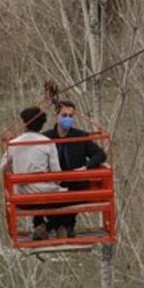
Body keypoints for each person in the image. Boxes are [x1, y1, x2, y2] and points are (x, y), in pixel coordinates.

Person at [42, 100, 107, 238]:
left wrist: (86, 167)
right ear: (57, 116)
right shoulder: (46, 137)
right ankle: (62, 227)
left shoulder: (80, 136)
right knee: (49, 196)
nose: (68, 119)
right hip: (54, 184)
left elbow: (100, 154)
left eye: (71, 116)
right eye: (64, 115)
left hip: (75, 184)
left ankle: (55, 227)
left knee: (73, 193)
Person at [0, 107, 66, 240]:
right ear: (42, 124)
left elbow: (3, 167)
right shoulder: (48, 143)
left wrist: (16, 172)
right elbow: (57, 174)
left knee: (37, 193)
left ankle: (41, 226)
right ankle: (50, 226)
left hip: (22, 197)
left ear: (24, 123)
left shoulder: (13, 144)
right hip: (46, 197)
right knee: (67, 197)